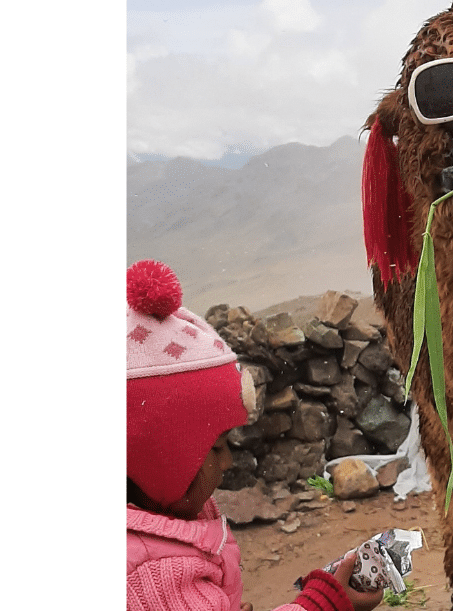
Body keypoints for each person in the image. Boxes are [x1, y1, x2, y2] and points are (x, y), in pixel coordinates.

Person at [127, 259, 384, 611]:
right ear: (158, 462)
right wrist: (324, 604)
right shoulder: (154, 575)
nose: (228, 460)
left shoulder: (161, 519)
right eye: (215, 447)